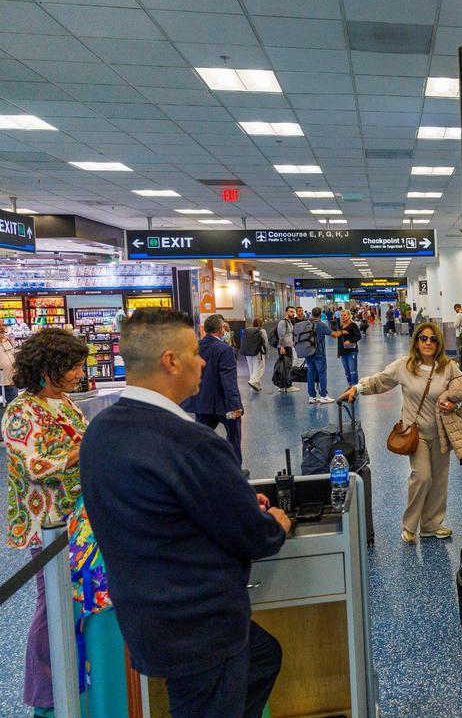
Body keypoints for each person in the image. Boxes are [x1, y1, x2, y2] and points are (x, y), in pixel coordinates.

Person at [81, 308, 290, 718]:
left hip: (146, 615)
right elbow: (253, 536)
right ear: (170, 361)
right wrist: (274, 524)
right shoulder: (190, 443)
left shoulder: (100, 432)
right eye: (195, 353)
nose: (202, 361)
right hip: (201, 624)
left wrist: (229, 499)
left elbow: (156, 507)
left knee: (262, 657)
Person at [2, 328, 89, 717]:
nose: (78, 373)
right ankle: (43, 696)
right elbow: (35, 465)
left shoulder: (66, 402)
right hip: (47, 522)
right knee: (49, 605)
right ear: (47, 367)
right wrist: (78, 453)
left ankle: (69, 680)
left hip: (76, 517)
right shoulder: (20, 412)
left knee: (70, 602)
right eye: (71, 366)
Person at [341, 321, 462, 544]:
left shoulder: (449, 368)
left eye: (433, 339)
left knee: (439, 480)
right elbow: (380, 380)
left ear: (439, 343)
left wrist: (455, 406)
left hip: (441, 433)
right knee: (422, 476)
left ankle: (431, 525)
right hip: (415, 434)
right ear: (416, 341)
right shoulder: (405, 365)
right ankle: (410, 525)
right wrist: (357, 388)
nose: (428, 343)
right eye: (423, 338)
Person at [182, 314, 244, 465]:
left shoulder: (194, 348)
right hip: (224, 404)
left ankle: (200, 467)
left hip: (202, 402)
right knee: (233, 436)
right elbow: (228, 380)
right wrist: (235, 405)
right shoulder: (224, 349)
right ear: (221, 329)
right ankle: (234, 468)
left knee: (201, 438)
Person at [297, 307, 335, 405]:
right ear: (320, 314)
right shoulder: (321, 325)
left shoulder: (306, 323)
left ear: (312, 314)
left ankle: (312, 397)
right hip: (319, 353)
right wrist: (342, 332)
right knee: (322, 374)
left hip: (308, 352)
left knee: (310, 374)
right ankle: (323, 396)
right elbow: (333, 334)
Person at [239, 318, 268, 392]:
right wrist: (266, 352)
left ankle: (256, 386)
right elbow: (265, 343)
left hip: (248, 352)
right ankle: (253, 381)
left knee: (251, 368)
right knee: (260, 367)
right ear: (261, 324)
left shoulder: (247, 330)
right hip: (258, 352)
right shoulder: (262, 331)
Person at [276, 307, 300, 394]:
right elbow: (281, 336)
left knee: (287, 366)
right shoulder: (282, 322)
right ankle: (287, 385)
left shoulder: (289, 322)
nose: (293, 313)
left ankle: (284, 385)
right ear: (286, 312)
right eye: (291, 312)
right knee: (285, 367)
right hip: (284, 348)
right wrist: (282, 347)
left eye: (293, 312)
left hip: (289, 347)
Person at [335, 309, 362, 387]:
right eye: (341, 315)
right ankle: (350, 386)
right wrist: (338, 352)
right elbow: (339, 340)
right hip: (343, 352)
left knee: (352, 370)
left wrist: (350, 341)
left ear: (349, 316)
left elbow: (358, 336)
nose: (343, 317)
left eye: (344, 315)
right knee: (346, 371)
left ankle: (355, 387)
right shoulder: (340, 327)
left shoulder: (353, 325)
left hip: (352, 351)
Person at [0, 322, 19, 406]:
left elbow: (12, 355)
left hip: (10, 381)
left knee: (15, 408)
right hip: (1, 381)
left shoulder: (6, 340)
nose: (2, 328)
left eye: (2, 325)